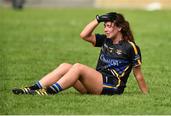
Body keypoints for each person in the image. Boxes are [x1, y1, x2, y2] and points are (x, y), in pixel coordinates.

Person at [12, 12, 148, 95]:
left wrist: (146, 95)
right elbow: (84, 35)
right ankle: (32, 88)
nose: (106, 29)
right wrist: (98, 19)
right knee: (66, 66)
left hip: (112, 86)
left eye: (109, 26)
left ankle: (49, 91)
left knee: (78, 67)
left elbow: (138, 75)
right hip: (96, 83)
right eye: (104, 26)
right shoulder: (106, 40)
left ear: (119, 27)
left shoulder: (131, 47)